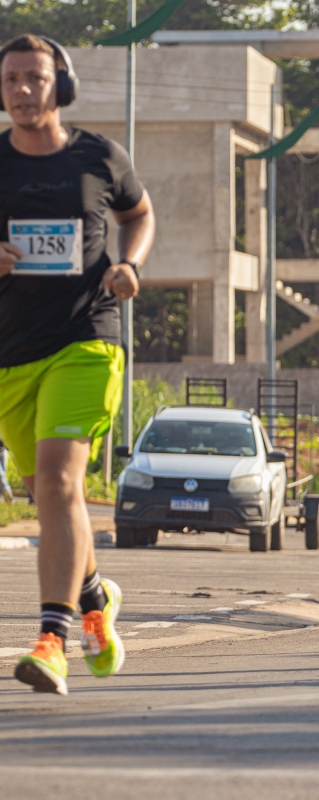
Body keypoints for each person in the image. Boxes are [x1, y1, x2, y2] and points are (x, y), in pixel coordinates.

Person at [1, 34, 156, 694]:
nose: (22, 90)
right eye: (11, 79)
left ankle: (52, 641)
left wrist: (130, 265)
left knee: (60, 483)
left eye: (34, 77)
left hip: (87, 339)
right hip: (12, 353)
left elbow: (139, 215)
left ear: (60, 85)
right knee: (45, 495)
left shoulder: (99, 156)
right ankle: (95, 598)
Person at [0, 436, 13, 503]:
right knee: (1, 474)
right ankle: (7, 492)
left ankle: (6, 496)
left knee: (4, 473)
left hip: (3, 448)